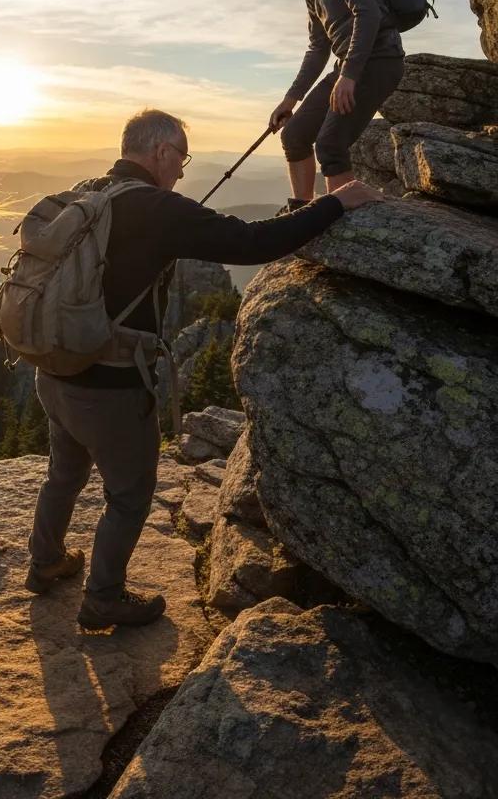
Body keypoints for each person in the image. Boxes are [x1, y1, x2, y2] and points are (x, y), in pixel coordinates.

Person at [24, 108, 382, 630]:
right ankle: (103, 597)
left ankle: (45, 562)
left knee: (64, 472)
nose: (182, 171)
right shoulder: (157, 208)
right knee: (128, 495)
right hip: (111, 383)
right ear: (161, 152)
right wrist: (334, 203)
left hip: (54, 368)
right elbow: (251, 243)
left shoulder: (86, 192)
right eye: (181, 159)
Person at [252, 0, 405, 210]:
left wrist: (349, 75)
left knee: (330, 144)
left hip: (379, 60)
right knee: (295, 136)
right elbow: (318, 48)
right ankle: (302, 215)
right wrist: (290, 100)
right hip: (348, 66)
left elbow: (368, 13)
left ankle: (344, 219)